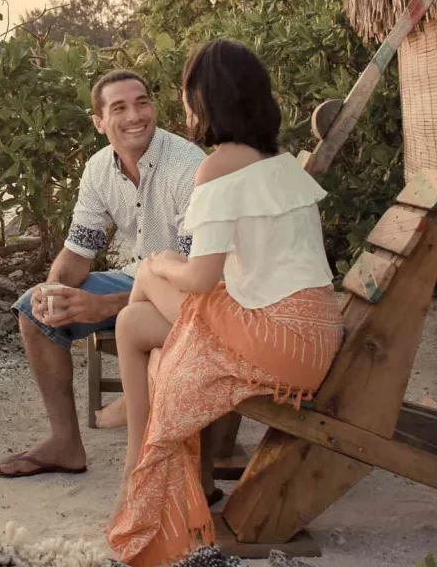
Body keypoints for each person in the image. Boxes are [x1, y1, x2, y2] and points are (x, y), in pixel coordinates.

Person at [107, 40, 344, 565]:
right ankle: (137, 457)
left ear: (205, 100)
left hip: (280, 341)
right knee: (130, 323)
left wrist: (160, 263)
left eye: (189, 95)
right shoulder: (278, 163)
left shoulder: (216, 168)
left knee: (151, 271)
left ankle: (139, 459)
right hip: (311, 332)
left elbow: (200, 277)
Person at [0, 68, 206, 479]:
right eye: (119, 107)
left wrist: (100, 305)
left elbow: (194, 284)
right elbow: (77, 251)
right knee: (32, 311)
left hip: (185, 292)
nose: (135, 116)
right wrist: (51, 289)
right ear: (99, 121)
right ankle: (65, 443)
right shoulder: (98, 170)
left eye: (142, 102)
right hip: (138, 277)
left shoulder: (187, 166)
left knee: (125, 310)